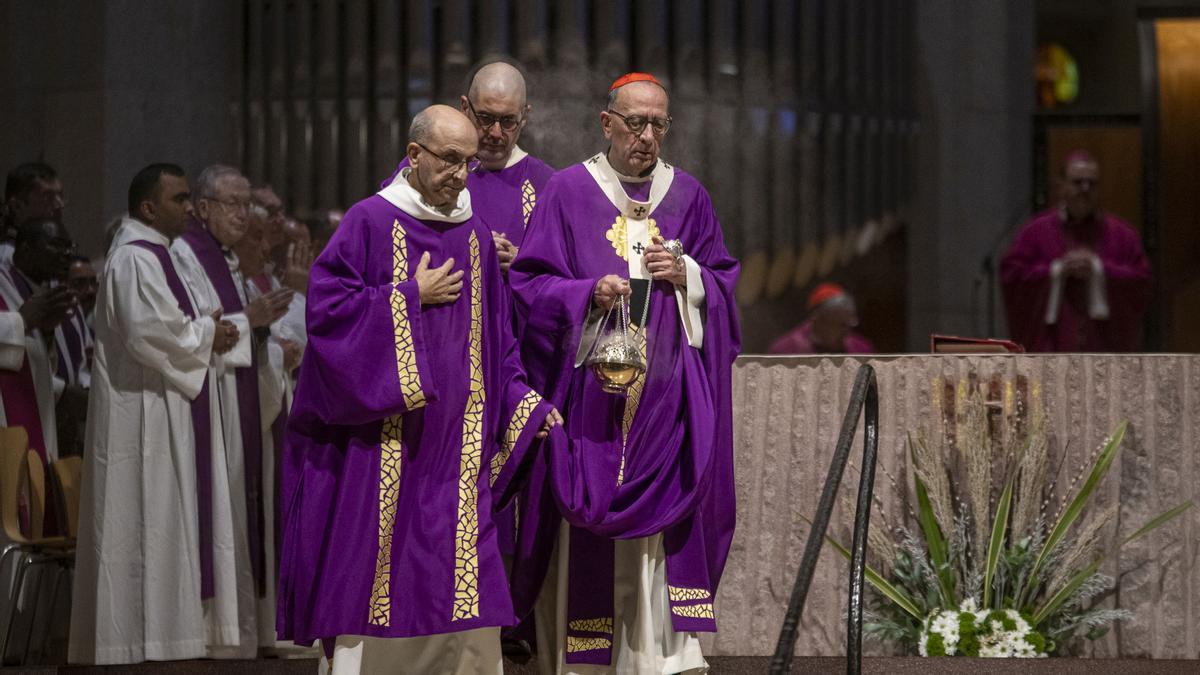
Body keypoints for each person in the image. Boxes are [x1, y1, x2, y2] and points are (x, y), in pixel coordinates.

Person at [277, 105, 559, 675]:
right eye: (450, 160)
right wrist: (406, 297)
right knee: (381, 572)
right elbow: (328, 320)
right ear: (414, 156)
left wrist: (524, 405)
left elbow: (498, 342)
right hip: (388, 446)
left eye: (469, 162)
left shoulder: (476, 235)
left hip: (458, 449)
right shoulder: (368, 222)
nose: (461, 173)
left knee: (463, 578)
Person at [508, 72, 740, 674]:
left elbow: (724, 285)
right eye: (634, 122)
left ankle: (656, 659)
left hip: (667, 409)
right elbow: (527, 286)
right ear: (606, 122)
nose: (646, 136)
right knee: (586, 538)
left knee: (659, 544)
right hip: (591, 409)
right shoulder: (566, 192)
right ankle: (584, 661)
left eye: (658, 123)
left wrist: (686, 275)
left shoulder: (689, 195)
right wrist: (588, 291)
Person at [70, 163, 241, 664]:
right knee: (145, 518)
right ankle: (139, 642)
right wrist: (210, 334)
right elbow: (150, 333)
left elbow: (174, 323)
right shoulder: (132, 260)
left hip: (167, 403)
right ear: (148, 207)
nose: (189, 208)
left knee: (167, 519)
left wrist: (204, 328)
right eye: (179, 199)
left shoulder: (157, 256)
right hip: (141, 412)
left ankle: (167, 636)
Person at [172, 164, 294, 657]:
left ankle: (245, 633)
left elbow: (237, 329)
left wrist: (262, 330)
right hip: (211, 405)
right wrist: (254, 322)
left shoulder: (224, 260)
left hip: (237, 404)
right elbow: (198, 329)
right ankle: (221, 635)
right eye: (233, 204)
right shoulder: (188, 256)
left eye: (247, 204)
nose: (244, 214)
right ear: (202, 208)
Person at [382, 60, 554, 276]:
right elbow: (392, 235)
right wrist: (472, 247)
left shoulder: (546, 182)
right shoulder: (427, 168)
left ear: (525, 116)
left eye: (508, 121)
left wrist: (524, 259)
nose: (495, 132)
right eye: (485, 118)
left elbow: (564, 264)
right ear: (465, 107)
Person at [1001, 151, 1152, 352]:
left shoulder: (1122, 235)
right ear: (1061, 186)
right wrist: (1057, 270)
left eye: (1092, 183)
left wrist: (1098, 269)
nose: (1085, 189)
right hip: (1051, 347)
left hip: (1105, 347)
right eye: (1078, 182)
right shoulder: (1034, 232)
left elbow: (1142, 281)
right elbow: (1012, 277)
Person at [0, 218, 76, 465]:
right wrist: (22, 320)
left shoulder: (21, 286)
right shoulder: (8, 284)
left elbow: (36, 363)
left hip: (36, 415)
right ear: (25, 248)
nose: (66, 255)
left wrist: (45, 333)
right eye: (56, 245)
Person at [767, 282, 875, 354]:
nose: (846, 332)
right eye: (840, 325)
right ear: (818, 322)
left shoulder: (861, 349)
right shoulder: (786, 350)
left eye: (850, 324)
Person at [2, 162, 66, 264]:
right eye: (48, 197)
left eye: (61, 196)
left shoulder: (56, 258)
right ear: (16, 206)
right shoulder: (5, 263)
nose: (60, 205)